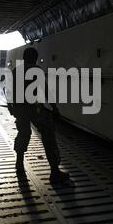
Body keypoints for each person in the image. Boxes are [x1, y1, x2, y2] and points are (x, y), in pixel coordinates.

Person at [8, 48, 70, 183]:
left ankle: (19, 164)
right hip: (34, 108)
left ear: (24, 58)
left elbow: (9, 90)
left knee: (23, 133)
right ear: (35, 58)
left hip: (20, 108)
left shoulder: (15, 71)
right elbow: (45, 90)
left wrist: (11, 107)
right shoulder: (37, 70)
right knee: (48, 134)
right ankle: (54, 171)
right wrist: (54, 107)